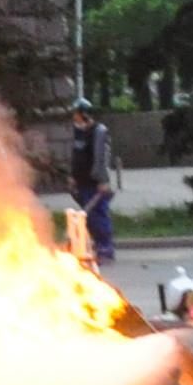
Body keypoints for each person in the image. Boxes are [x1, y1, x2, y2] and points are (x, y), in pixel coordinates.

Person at [60, 101, 119, 270]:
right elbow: (76, 155)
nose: (74, 117)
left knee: (98, 216)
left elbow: (101, 157)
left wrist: (103, 180)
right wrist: (73, 176)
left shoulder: (99, 132)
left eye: (76, 114)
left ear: (84, 114)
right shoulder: (79, 132)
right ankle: (97, 246)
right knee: (88, 218)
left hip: (95, 183)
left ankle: (105, 249)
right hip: (82, 182)